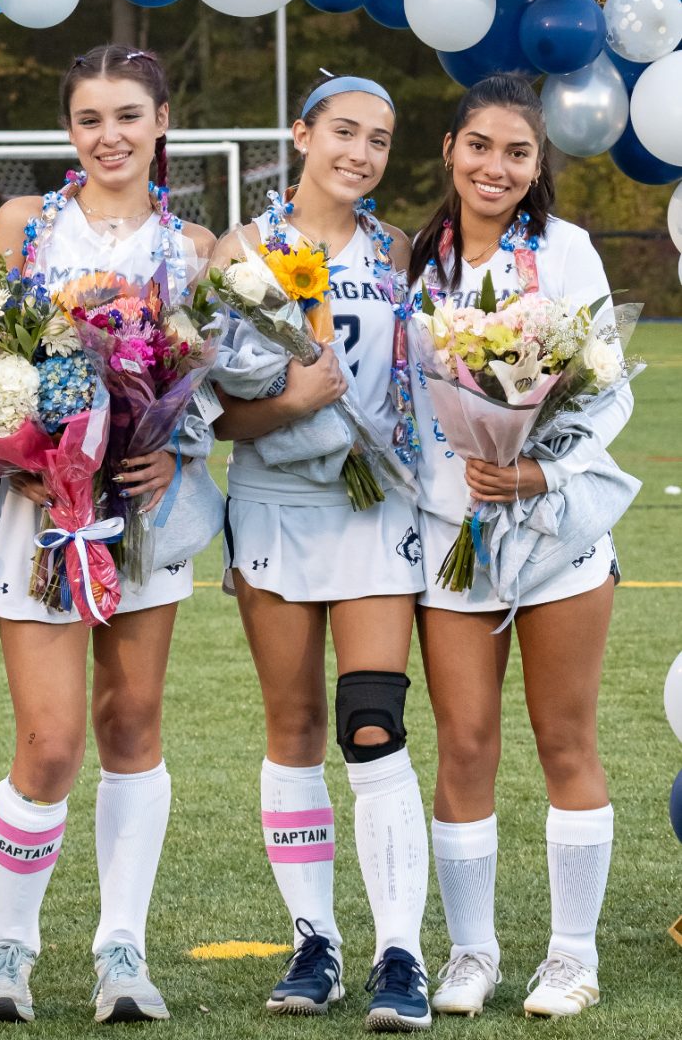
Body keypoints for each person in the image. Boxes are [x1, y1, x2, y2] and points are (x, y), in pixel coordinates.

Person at [0, 44, 216, 1025]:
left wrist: (171, 455)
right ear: (69, 131)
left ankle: (122, 948)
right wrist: (21, 449)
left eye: (126, 116)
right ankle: (8, 948)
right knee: (52, 739)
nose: (108, 136)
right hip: (38, 519)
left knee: (130, 726)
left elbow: (206, 390)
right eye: (88, 119)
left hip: (140, 523)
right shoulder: (25, 228)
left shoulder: (191, 246)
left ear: (160, 124)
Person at [407, 74, 632, 1020]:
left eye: (518, 152)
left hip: (556, 535)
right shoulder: (420, 261)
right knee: (462, 745)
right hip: (453, 537)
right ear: (452, 149)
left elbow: (607, 388)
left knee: (564, 739)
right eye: (480, 146)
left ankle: (570, 957)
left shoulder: (569, 252)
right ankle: (470, 952)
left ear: (538, 165)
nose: (495, 166)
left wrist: (537, 475)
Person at [211, 75, 431, 1032]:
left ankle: (399, 953)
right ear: (302, 133)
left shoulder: (400, 253)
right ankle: (315, 942)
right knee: (293, 723)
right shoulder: (244, 250)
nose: (361, 153)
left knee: (371, 721)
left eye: (379, 140)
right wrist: (293, 406)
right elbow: (215, 412)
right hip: (276, 503)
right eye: (344, 131)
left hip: (375, 503)